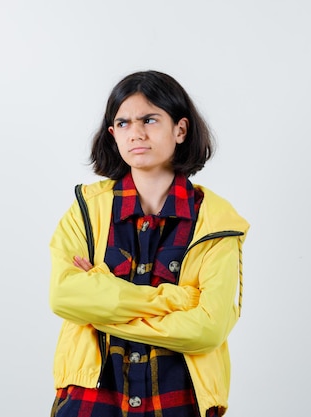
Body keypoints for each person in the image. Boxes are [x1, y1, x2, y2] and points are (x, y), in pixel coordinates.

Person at [49, 70, 249, 417]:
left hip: (180, 401)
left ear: (180, 130)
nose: (136, 133)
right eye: (123, 123)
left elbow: (207, 328)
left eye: (150, 119)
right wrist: (177, 299)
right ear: (112, 134)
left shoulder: (217, 220)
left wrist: (101, 303)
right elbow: (64, 295)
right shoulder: (85, 210)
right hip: (91, 401)